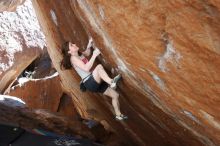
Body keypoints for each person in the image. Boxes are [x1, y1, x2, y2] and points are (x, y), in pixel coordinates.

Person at [61, 39, 127, 120]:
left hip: (94, 81)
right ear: (69, 52)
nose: (74, 44)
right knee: (99, 67)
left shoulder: (79, 54)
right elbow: (86, 68)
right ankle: (111, 82)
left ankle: (118, 114)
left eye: (73, 43)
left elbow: (87, 53)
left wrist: (89, 44)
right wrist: (95, 55)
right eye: (71, 45)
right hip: (90, 82)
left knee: (115, 95)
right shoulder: (73, 58)